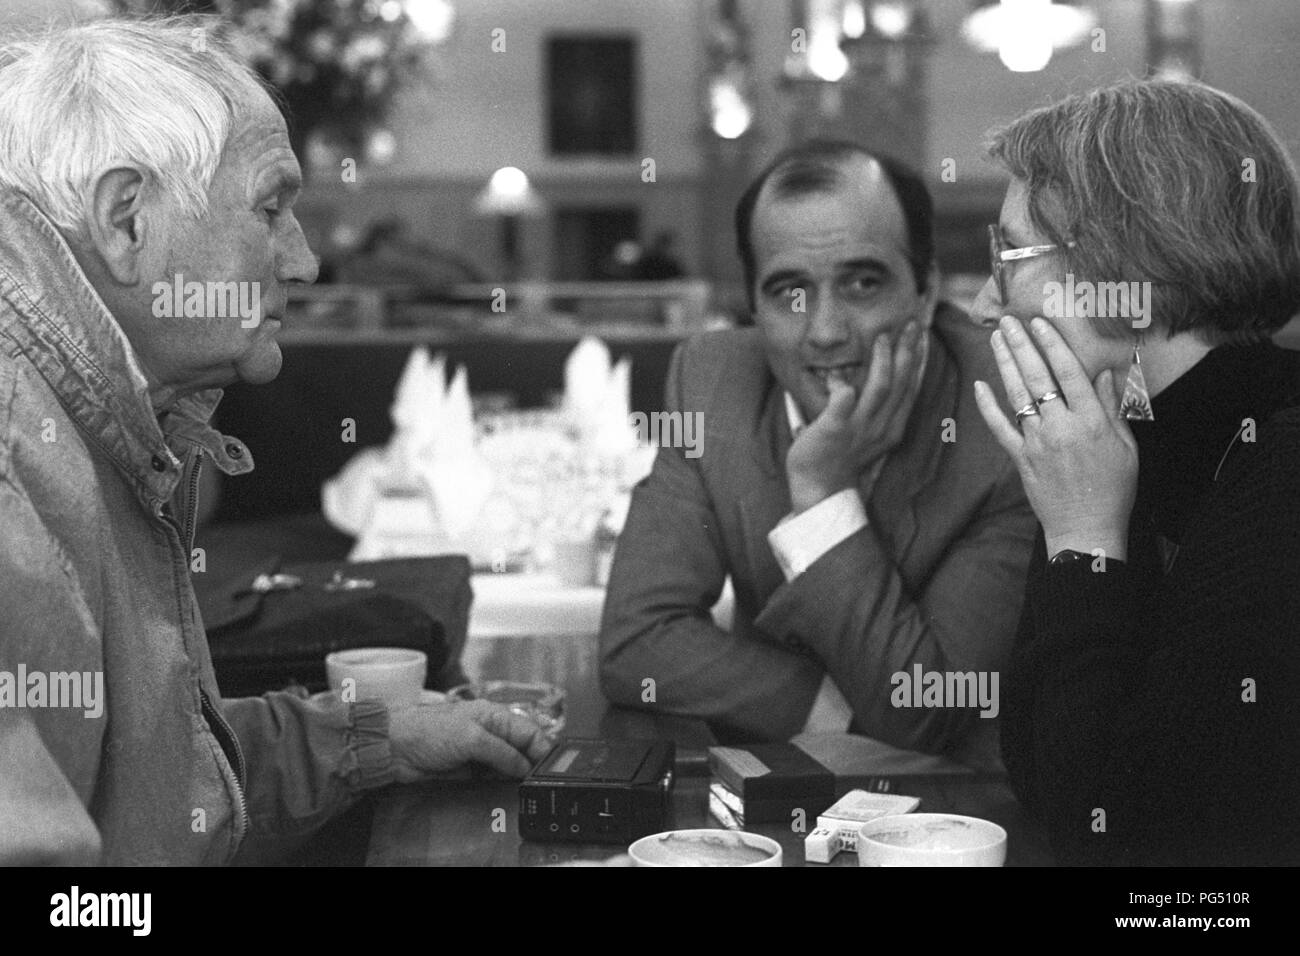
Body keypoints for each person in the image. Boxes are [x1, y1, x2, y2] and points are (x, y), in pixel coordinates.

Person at [0, 17, 549, 866]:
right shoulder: (15, 466)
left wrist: (380, 741)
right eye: (271, 208)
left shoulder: (102, 408)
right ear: (126, 222)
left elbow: (150, 786)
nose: (304, 263)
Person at [599, 140, 1037, 763]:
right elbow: (634, 641)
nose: (827, 330)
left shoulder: (1004, 414)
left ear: (926, 287)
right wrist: (831, 711)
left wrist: (823, 494)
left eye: (862, 282)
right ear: (752, 306)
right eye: (789, 292)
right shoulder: (710, 382)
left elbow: (924, 707)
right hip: (774, 797)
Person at [971, 79, 1300, 865]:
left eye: (1008, 256)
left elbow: (1140, 864)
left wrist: (1083, 536)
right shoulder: (1128, 438)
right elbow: (1045, 775)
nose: (987, 303)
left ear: (1123, 266)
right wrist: (1079, 525)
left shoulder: (1283, 471)